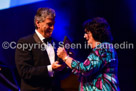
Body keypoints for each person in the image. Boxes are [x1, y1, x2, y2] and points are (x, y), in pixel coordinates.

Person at [57, 17, 120, 91]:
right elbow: (84, 72)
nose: (84, 36)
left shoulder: (103, 47)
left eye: (87, 33)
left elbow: (85, 69)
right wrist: (70, 60)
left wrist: (66, 57)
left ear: (95, 32)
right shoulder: (102, 48)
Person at [15, 7, 63, 91]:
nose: (52, 28)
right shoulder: (24, 42)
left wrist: (66, 62)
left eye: (53, 24)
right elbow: (24, 72)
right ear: (38, 23)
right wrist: (50, 68)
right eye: (49, 24)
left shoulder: (55, 42)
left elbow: (59, 74)